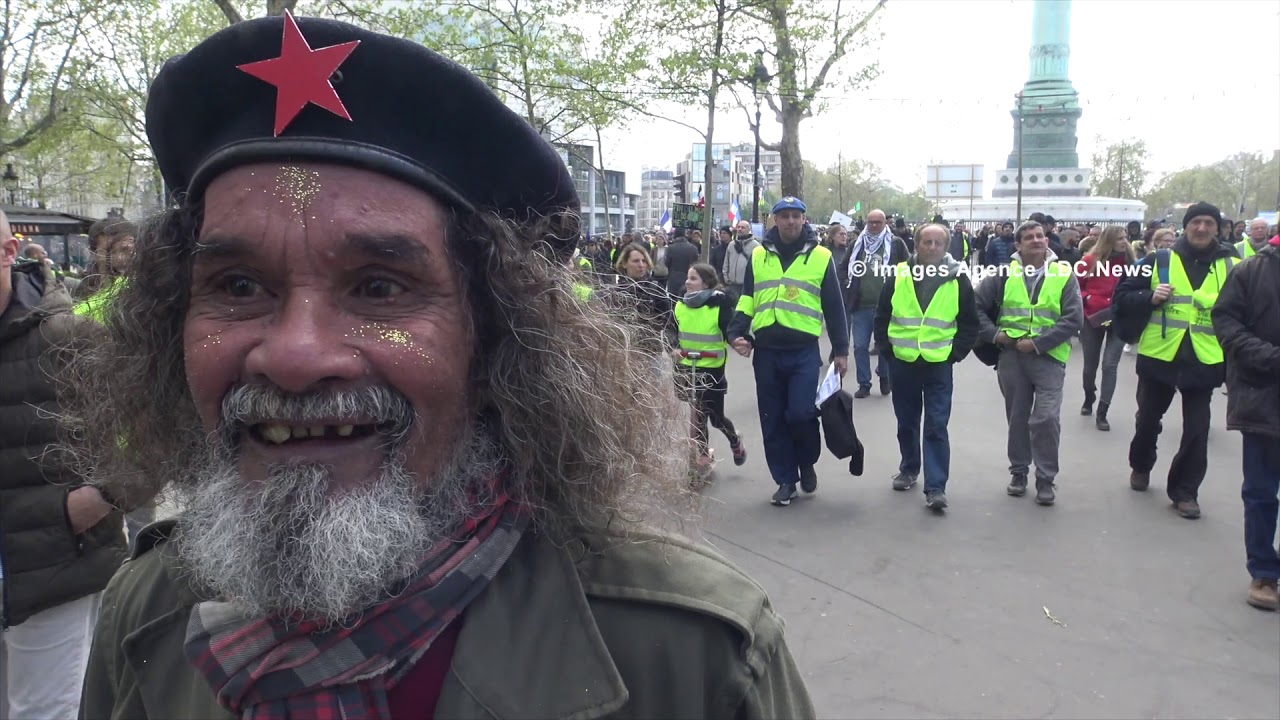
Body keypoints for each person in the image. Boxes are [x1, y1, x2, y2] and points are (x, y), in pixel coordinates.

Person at [74, 15, 813, 719]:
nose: (296, 356)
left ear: (493, 334)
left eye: (379, 287)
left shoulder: (694, 658)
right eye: (239, 288)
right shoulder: (143, 617)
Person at [0, 212, 126, 719]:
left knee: (42, 712)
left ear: (9, 253)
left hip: (51, 568)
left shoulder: (70, 337)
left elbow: (159, 429)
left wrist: (95, 501)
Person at [1112, 202, 1239, 519]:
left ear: (1217, 228)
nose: (1201, 228)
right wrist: (1149, 297)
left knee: (1197, 430)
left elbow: (1246, 308)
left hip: (1205, 359)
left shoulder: (1233, 265)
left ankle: (1185, 492)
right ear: (1186, 226)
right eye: (1196, 222)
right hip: (1160, 356)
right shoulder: (1157, 260)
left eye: (1208, 223)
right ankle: (1141, 465)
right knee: (1147, 423)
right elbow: (1122, 296)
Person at [728, 196, 849, 507]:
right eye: (785, 216)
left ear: (804, 220)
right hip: (767, 352)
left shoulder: (821, 257)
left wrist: (841, 350)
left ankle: (806, 461)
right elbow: (747, 299)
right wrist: (736, 331)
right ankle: (785, 480)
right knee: (772, 419)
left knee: (801, 413)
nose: (791, 221)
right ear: (775, 220)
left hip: (803, 351)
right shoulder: (758, 256)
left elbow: (834, 307)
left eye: (796, 216)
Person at [975, 221, 1083, 505]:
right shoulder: (1001, 274)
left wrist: (1038, 343)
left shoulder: (1063, 274)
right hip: (1012, 357)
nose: (1036, 240)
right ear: (1018, 245)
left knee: (1046, 418)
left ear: (1047, 241)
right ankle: (1019, 472)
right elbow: (975, 308)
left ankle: (1046, 478)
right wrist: (996, 335)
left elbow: (1074, 318)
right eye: (1029, 237)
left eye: (1040, 236)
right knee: (1018, 418)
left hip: (1049, 357)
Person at [872, 224, 979, 509]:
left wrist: (956, 353)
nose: (932, 247)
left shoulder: (958, 279)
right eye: (927, 242)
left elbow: (970, 320)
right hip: (902, 362)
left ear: (945, 248)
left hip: (939, 364)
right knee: (906, 423)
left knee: (936, 425)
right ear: (917, 245)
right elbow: (882, 315)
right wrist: (887, 350)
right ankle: (909, 469)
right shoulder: (899, 275)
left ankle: (936, 488)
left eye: (938, 243)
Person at [1212, 229, 1280, 611]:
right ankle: (1264, 572)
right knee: (1261, 491)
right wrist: (1269, 357)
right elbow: (1227, 323)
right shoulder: (1252, 271)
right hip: (1263, 396)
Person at [672, 263, 747, 477]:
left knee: (715, 416)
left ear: (706, 283)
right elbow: (672, 330)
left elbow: (729, 331)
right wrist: (674, 347)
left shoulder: (719, 305)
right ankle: (703, 455)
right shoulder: (680, 304)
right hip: (687, 366)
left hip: (712, 368)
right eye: (688, 277)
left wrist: (737, 343)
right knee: (698, 413)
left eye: (693, 278)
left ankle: (734, 440)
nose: (688, 282)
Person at [844, 209, 909, 398]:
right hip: (861, 305)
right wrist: (846, 288)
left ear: (885, 224)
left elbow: (909, 267)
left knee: (884, 345)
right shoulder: (858, 244)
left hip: (887, 307)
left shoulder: (896, 244)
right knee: (860, 346)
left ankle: (884, 376)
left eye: (877, 222)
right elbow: (844, 267)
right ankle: (864, 382)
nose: (873, 226)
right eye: (870, 222)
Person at [1077, 225, 1135, 431]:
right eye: (1120, 238)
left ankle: (1103, 411)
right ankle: (1088, 396)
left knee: (1110, 365)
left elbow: (1138, 287)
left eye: (1125, 237)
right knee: (1090, 364)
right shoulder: (1089, 261)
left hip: (1120, 317)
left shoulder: (1131, 262)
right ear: (1109, 240)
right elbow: (1075, 287)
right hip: (1092, 317)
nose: (1124, 241)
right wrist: (1088, 298)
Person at [722, 219, 760, 299]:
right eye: (738, 227)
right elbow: (726, 263)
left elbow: (758, 265)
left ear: (749, 230)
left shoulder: (756, 246)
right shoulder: (731, 245)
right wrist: (726, 277)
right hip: (732, 285)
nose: (740, 229)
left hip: (746, 286)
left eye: (743, 227)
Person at [664, 228, 699, 297]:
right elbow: (696, 264)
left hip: (673, 279)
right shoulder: (693, 248)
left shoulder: (670, 248)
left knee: (673, 302)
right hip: (688, 278)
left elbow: (667, 263)